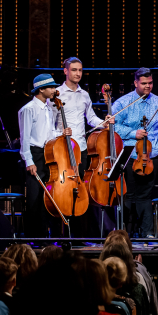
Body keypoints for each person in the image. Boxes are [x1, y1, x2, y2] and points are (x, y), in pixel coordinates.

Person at [53, 57, 115, 236]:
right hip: (62, 149)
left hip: (81, 149)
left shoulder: (85, 95)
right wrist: (59, 134)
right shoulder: (56, 94)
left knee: (80, 191)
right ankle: (61, 234)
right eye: (74, 70)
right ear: (65, 71)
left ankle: (79, 235)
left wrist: (103, 122)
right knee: (63, 191)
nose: (78, 73)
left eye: (80, 70)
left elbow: (90, 119)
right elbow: (49, 123)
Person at [112, 67, 158, 239]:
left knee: (145, 196)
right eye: (144, 83)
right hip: (130, 156)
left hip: (151, 157)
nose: (148, 86)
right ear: (136, 83)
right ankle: (124, 234)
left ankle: (146, 233)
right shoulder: (123, 102)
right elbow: (112, 125)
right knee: (128, 195)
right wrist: (133, 133)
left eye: (150, 83)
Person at [18, 73, 72, 238]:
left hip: (48, 153)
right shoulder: (28, 109)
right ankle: (33, 236)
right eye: (51, 87)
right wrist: (29, 161)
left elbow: (48, 133)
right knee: (34, 197)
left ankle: (45, 235)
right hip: (34, 154)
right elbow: (25, 138)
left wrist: (61, 133)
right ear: (41, 89)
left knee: (45, 197)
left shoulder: (49, 108)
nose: (54, 90)